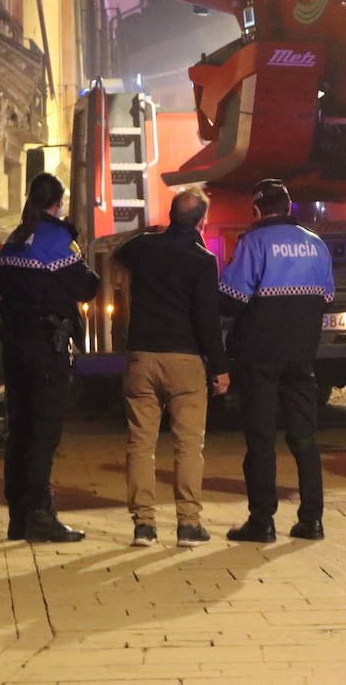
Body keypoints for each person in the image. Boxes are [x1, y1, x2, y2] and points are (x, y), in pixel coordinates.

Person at [219, 179, 335, 542]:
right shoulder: (316, 244)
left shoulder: (253, 242)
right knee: (305, 438)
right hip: (302, 356)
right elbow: (328, 297)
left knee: (261, 439)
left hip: (260, 356)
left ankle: (262, 521)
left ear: (256, 210)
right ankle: (312, 520)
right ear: (288, 207)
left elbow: (232, 298)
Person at [113, 187, 230, 548]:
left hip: (142, 357)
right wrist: (220, 367)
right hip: (185, 360)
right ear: (202, 221)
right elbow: (207, 319)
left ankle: (144, 526)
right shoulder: (202, 259)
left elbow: (121, 251)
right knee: (188, 446)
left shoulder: (143, 248)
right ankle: (188, 525)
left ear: (170, 215)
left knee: (139, 445)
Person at [0, 173, 100, 543]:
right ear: (58, 202)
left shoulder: (15, 238)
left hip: (14, 345)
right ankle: (41, 514)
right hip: (45, 347)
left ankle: (18, 515)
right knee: (44, 431)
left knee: (19, 429)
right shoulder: (55, 239)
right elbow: (89, 286)